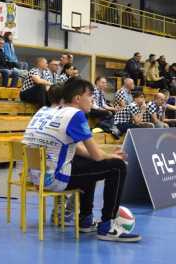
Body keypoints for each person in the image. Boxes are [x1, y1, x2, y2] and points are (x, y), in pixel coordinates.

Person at [23, 78, 141, 242]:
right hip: (54, 179)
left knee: (89, 166)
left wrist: (102, 157)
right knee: (118, 166)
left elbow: (78, 149)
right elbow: (97, 155)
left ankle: (85, 220)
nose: (93, 99)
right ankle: (108, 227)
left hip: (34, 177)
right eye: (90, 95)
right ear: (77, 99)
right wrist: (112, 156)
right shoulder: (75, 115)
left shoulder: (45, 111)